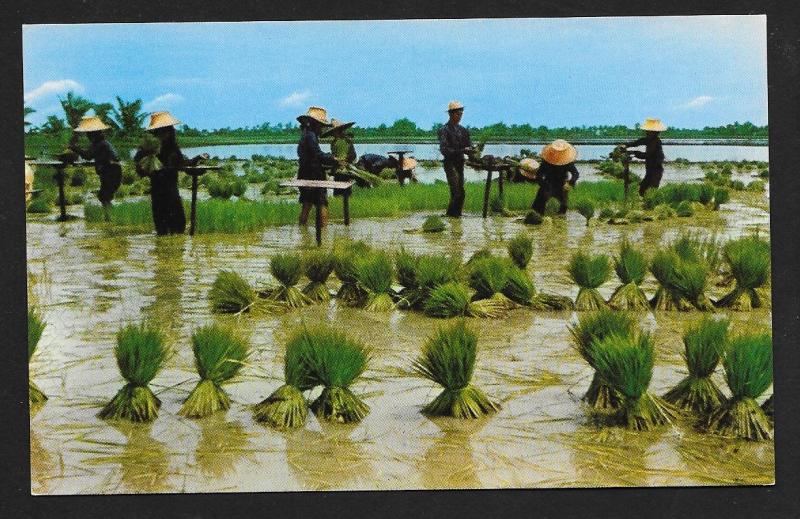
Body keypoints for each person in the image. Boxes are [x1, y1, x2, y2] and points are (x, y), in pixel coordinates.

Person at [134, 111, 208, 236]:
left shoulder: (173, 149)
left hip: (172, 193)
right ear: (155, 132)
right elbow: (140, 167)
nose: (164, 134)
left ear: (170, 132)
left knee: (178, 226)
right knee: (162, 230)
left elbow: (183, 165)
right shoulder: (147, 149)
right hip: (158, 194)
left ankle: (171, 254)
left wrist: (197, 159)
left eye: (166, 131)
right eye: (161, 131)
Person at [68, 115, 122, 215]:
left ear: (93, 135)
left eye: (89, 134)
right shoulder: (100, 143)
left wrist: (75, 148)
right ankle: (109, 217)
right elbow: (95, 156)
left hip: (111, 172)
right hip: (110, 171)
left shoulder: (101, 144)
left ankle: (110, 217)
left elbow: (88, 155)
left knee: (104, 196)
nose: (87, 136)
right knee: (104, 196)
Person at [296, 106, 337, 226]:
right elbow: (318, 154)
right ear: (316, 124)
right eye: (322, 126)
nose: (323, 128)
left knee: (306, 204)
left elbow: (304, 154)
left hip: (303, 173)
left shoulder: (305, 135)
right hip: (314, 176)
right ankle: (324, 235)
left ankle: (303, 232)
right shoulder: (311, 136)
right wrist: (332, 158)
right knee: (322, 204)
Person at [438, 101, 473, 217]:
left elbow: (469, 146)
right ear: (451, 114)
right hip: (450, 163)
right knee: (457, 191)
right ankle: (451, 217)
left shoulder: (463, 130)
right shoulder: (444, 130)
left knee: (461, 193)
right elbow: (444, 150)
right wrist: (462, 151)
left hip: (460, 163)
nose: (460, 116)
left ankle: (456, 216)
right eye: (458, 114)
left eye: (461, 114)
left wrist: (473, 153)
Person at [531, 139, 580, 215]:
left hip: (562, 185)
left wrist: (569, 183)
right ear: (552, 151)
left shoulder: (567, 161)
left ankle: (559, 223)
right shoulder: (547, 161)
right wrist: (543, 184)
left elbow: (575, 173)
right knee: (539, 207)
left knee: (563, 207)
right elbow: (539, 175)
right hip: (548, 184)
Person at [623, 118, 666, 196]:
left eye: (648, 131)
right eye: (646, 131)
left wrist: (634, 152)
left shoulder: (656, 141)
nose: (646, 132)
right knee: (643, 190)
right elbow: (638, 142)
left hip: (655, 170)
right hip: (650, 170)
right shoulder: (648, 140)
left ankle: (652, 204)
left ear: (654, 132)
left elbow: (647, 155)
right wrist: (627, 145)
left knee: (649, 190)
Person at [322, 119, 357, 195]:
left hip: (341, 170)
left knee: (339, 193)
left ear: (336, 131)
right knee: (345, 193)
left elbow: (340, 159)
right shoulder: (345, 140)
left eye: (333, 132)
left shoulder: (339, 142)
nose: (332, 134)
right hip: (344, 170)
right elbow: (353, 155)